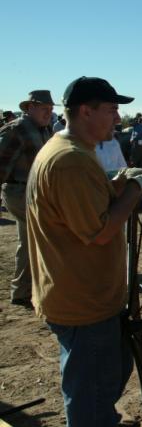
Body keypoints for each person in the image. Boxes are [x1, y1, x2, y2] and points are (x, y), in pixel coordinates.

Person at [27, 76, 142, 427]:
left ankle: (101, 423)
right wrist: (135, 190)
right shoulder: (70, 161)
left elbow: (89, 199)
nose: (118, 119)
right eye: (111, 110)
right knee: (89, 382)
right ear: (85, 111)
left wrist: (118, 182)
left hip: (86, 291)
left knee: (111, 366)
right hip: (80, 297)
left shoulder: (73, 151)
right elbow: (100, 231)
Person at [0, 90, 55, 307]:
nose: (48, 113)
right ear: (30, 107)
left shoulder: (44, 129)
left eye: (50, 109)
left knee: (30, 239)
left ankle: (23, 290)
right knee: (39, 236)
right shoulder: (17, 129)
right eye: (44, 109)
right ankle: (27, 290)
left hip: (34, 191)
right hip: (19, 191)